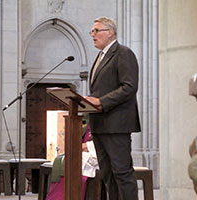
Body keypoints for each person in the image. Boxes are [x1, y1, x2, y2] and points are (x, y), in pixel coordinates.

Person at [85, 17, 141, 200]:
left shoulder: (123, 53)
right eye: (92, 31)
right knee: (108, 175)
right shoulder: (100, 57)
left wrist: (101, 101)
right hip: (100, 124)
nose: (92, 35)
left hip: (117, 124)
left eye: (96, 30)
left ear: (109, 32)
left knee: (122, 174)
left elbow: (129, 87)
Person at [46, 122, 99, 200]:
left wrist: (87, 146)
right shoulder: (87, 118)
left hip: (99, 152)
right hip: (85, 150)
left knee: (75, 161)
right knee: (63, 159)